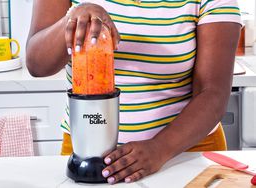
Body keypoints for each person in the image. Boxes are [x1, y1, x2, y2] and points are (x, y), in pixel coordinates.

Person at [26, 0, 241, 184]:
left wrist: (158, 149)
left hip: (185, 155)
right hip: (87, 151)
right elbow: (37, 63)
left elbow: (213, 92)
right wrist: (71, 19)